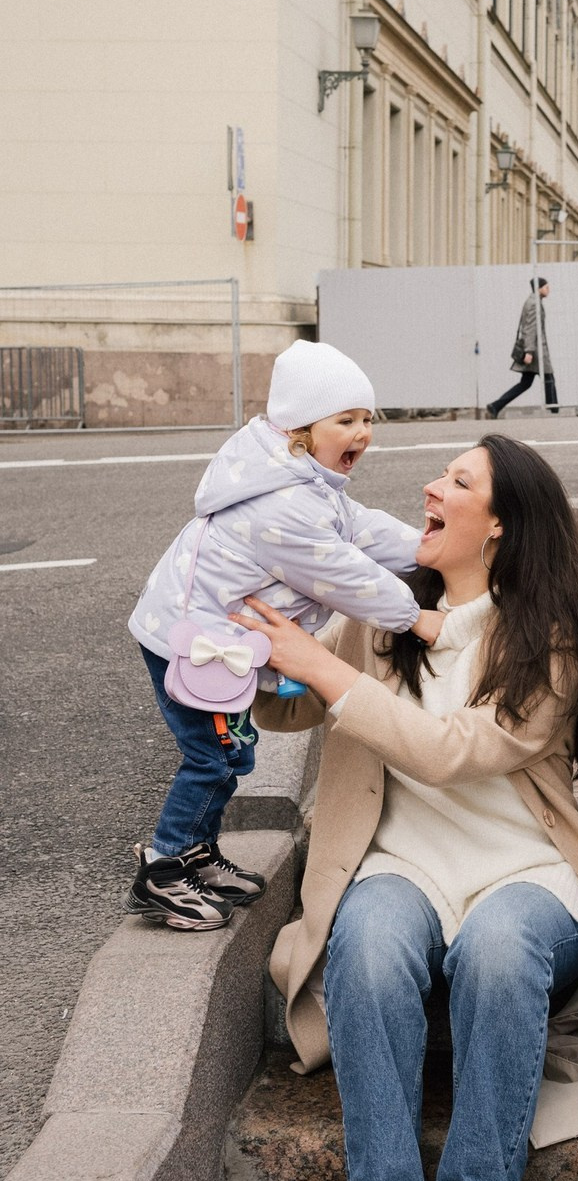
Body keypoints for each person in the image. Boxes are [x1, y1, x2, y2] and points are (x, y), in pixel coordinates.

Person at [237, 436, 578, 1181]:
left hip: (527, 876)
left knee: (496, 954)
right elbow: (287, 709)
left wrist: (327, 675)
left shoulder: (553, 642)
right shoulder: (378, 610)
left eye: (457, 481)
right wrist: (261, 637)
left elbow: (449, 750)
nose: (428, 487)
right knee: (365, 948)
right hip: (399, 865)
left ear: (500, 525)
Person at [125, 341, 429, 932]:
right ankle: (164, 866)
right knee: (211, 758)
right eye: (345, 420)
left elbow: (356, 529)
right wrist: (414, 615)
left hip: (209, 644)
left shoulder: (303, 482)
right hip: (189, 646)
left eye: (368, 419)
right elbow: (341, 571)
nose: (363, 433)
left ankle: (194, 853)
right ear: (299, 430)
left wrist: (423, 549)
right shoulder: (282, 503)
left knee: (232, 753)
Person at [487, 278, 558, 418]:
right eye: (546, 287)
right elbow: (530, 329)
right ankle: (554, 411)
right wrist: (529, 351)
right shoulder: (534, 304)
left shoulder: (533, 302)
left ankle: (496, 405)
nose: (548, 290)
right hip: (536, 351)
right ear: (539, 288)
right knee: (549, 377)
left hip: (535, 349)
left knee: (526, 383)